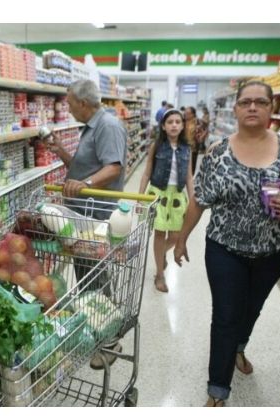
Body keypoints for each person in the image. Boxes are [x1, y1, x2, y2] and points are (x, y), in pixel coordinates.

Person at [173, 81, 280, 407]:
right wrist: (181, 238)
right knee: (226, 315)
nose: (252, 107)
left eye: (260, 102)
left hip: (274, 250)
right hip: (224, 248)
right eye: (245, 102)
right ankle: (217, 390)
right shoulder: (217, 152)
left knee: (252, 309)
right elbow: (199, 200)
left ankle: (239, 347)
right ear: (237, 108)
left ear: (271, 107)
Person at [47, 78, 127, 370]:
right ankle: (98, 328)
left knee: (95, 277)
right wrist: (60, 152)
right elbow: (83, 170)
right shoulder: (91, 127)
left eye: (69, 103)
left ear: (83, 102)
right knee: (88, 276)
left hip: (96, 215)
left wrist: (87, 184)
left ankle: (110, 340)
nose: (67, 108)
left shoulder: (108, 125)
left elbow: (113, 167)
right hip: (82, 214)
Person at [138, 109, 193, 293]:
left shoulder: (187, 148)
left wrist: (193, 201)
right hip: (158, 194)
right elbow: (147, 173)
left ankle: (161, 254)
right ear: (163, 126)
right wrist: (139, 198)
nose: (174, 125)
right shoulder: (157, 146)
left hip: (177, 196)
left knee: (176, 236)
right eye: (170, 122)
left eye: (178, 122)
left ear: (183, 126)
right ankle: (159, 275)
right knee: (160, 234)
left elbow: (189, 177)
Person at [183, 106, 199, 174]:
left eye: (187, 113)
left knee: (191, 166)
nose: (185, 114)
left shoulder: (197, 123)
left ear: (193, 114)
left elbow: (201, 135)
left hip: (192, 148)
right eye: (185, 113)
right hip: (182, 146)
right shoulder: (182, 121)